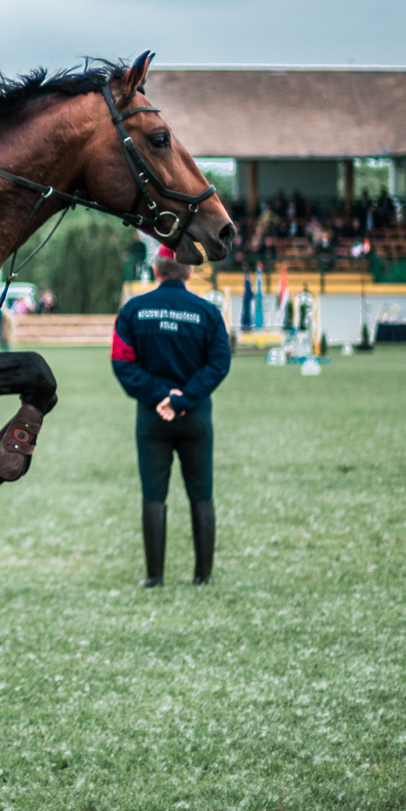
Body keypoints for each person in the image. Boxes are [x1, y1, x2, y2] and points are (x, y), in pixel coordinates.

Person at [111, 251, 232, 586]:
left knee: (154, 495)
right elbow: (219, 363)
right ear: (189, 273)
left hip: (152, 418)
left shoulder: (133, 310)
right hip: (195, 418)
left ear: (155, 270)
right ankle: (203, 576)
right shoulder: (208, 312)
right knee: (202, 494)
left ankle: (154, 576)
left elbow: (122, 362)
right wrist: (183, 398)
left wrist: (159, 396)